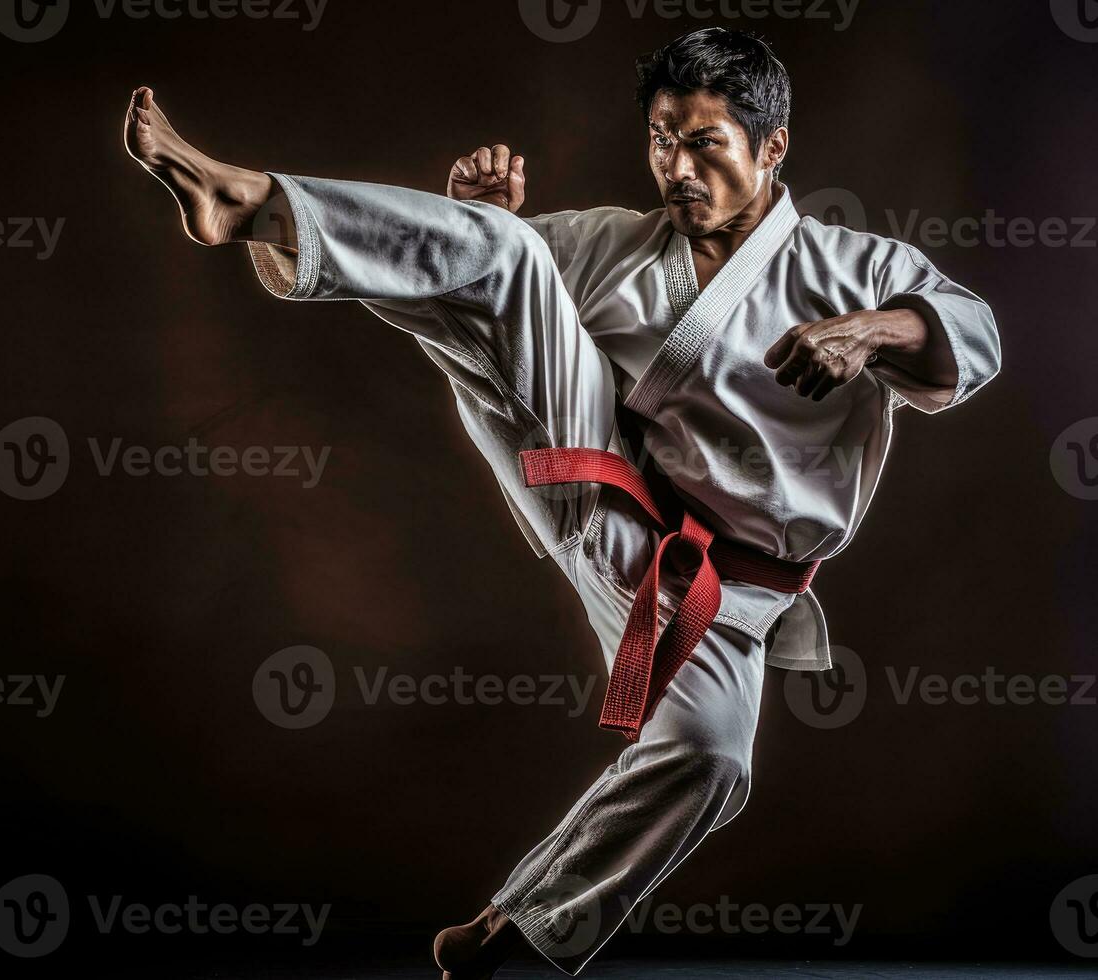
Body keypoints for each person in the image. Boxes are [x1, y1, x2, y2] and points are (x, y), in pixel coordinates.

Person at [124, 27, 1001, 979]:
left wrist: (868, 333)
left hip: (729, 595)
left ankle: (508, 931)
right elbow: (472, 282)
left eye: (705, 141)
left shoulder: (854, 268)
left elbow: (975, 331)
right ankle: (247, 198)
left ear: (773, 146)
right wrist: (483, 226)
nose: (677, 166)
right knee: (502, 259)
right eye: (662, 139)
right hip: (597, 489)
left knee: (713, 761)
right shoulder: (613, 245)